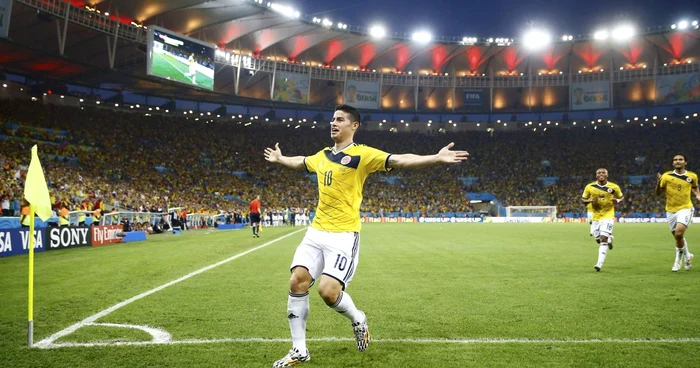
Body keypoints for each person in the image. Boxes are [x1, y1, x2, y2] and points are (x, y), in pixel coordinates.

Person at [264, 104, 469, 367]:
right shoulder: (322, 156)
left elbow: (399, 159)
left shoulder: (362, 155)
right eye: (332, 119)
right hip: (315, 232)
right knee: (297, 282)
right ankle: (299, 350)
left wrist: (435, 158)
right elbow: (300, 162)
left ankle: (358, 318)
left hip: (343, 235)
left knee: (328, 292)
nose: (333, 123)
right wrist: (281, 159)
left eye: (340, 119)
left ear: (354, 126)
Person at [656, 154, 700, 272]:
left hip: (685, 208)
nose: (678, 161)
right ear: (673, 163)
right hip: (670, 210)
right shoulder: (666, 176)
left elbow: (695, 187)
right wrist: (658, 183)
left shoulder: (692, 176)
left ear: (685, 162)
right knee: (677, 237)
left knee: (679, 234)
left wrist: (698, 194)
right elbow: (659, 193)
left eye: (680, 159)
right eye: (675, 160)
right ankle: (688, 255)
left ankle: (678, 260)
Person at [581, 168, 623, 272]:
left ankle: (599, 264)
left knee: (603, 238)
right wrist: (590, 200)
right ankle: (610, 239)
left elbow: (621, 197)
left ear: (607, 175)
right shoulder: (590, 187)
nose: (601, 174)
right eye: (599, 173)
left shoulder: (614, 187)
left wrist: (617, 200)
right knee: (598, 239)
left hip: (608, 215)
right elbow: (583, 200)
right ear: (596, 175)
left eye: (603, 173)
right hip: (595, 216)